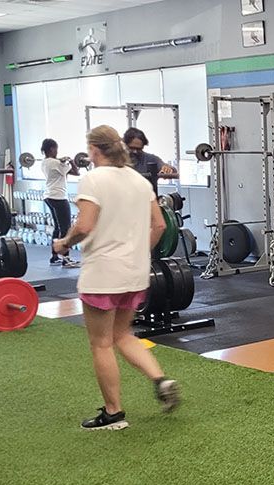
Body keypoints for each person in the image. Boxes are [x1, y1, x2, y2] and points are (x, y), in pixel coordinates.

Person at [53, 125, 180, 430]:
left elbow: (84, 226)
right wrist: (138, 253)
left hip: (103, 274)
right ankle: (161, 380)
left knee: (101, 343)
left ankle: (113, 413)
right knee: (123, 335)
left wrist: (63, 243)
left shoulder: (93, 179)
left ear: (95, 149)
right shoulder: (139, 181)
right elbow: (160, 226)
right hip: (135, 273)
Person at [41, 138, 80, 267]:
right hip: (58, 197)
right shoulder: (54, 163)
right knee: (65, 228)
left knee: (58, 227)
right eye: (56, 148)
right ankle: (66, 258)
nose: (57, 151)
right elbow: (77, 171)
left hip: (49, 196)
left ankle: (54, 256)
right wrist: (70, 161)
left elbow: (73, 172)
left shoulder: (45, 163)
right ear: (52, 149)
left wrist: (68, 162)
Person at [122, 127, 178, 195]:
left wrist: (168, 169)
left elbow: (169, 169)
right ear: (125, 145)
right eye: (132, 148)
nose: (135, 152)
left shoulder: (151, 159)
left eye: (139, 149)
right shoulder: (118, 160)